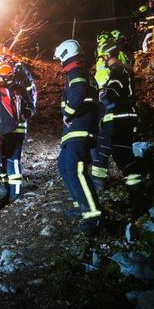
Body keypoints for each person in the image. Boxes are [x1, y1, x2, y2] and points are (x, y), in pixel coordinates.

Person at [53, 39, 102, 235]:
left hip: (78, 130)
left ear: (66, 55)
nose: (59, 63)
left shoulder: (77, 73)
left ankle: (93, 216)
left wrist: (68, 113)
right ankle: (80, 206)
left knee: (76, 170)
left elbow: (79, 93)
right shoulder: (82, 74)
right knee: (64, 167)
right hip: (75, 132)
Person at [91, 42, 141, 195]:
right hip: (128, 116)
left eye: (102, 58)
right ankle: (136, 188)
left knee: (102, 149)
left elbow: (111, 94)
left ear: (106, 56)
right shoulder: (125, 70)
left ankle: (98, 187)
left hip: (117, 117)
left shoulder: (117, 71)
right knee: (123, 153)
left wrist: (101, 94)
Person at [0, 61, 35, 202]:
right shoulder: (19, 88)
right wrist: (25, 115)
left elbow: (30, 108)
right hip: (13, 130)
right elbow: (31, 107)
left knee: (9, 159)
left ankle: (13, 191)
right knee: (7, 158)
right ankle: (10, 189)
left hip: (9, 131)